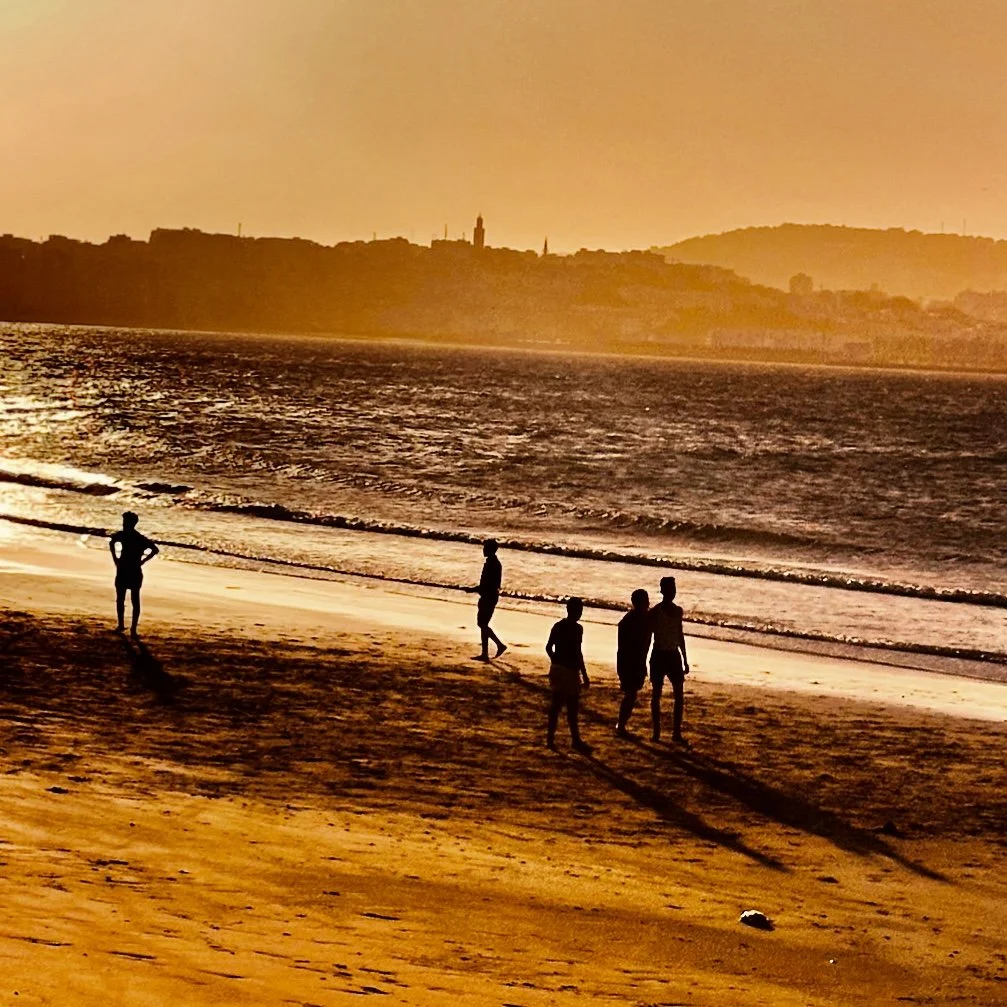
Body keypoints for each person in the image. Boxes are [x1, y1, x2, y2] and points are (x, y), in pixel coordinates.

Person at [545, 597, 591, 752]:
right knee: (571, 707)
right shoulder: (578, 629)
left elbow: (548, 647)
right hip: (570, 670)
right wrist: (584, 674)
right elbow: (578, 653)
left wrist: (555, 661)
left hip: (558, 668)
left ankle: (550, 738)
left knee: (556, 705)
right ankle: (575, 740)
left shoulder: (558, 626)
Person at [649, 576, 690, 745]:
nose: (672, 592)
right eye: (670, 589)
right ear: (663, 591)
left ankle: (676, 732)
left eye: (673, 589)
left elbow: (680, 635)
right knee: (656, 694)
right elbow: (647, 636)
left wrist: (685, 658)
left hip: (673, 655)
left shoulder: (678, 611)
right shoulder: (655, 612)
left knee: (679, 695)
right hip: (659, 654)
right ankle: (656, 731)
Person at [109, 511, 159, 637]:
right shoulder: (139, 538)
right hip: (134, 569)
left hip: (126, 569)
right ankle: (130, 629)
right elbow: (155, 549)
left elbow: (112, 542)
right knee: (131, 600)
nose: (124, 524)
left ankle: (126, 627)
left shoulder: (125, 535)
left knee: (126, 599)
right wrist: (142, 561)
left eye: (125, 522)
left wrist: (116, 558)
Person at [616, 589, 652, 737]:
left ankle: (622, 724)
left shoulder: (642, 618)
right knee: (631, 694)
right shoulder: (633, 620)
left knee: (631, 694)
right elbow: (625, 646)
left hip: (634, 660)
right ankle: (621, 725)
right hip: (630, 661)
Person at [472, 539, 507, 661]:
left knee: (482, 624)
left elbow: (488, 584)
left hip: (489, 596)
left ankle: (499, 645)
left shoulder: (492, 564)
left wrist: (474, 589)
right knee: (483, 624)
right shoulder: (493, 563)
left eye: (485, 548)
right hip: (489, 595)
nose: (483, 550)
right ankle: (485, 653)